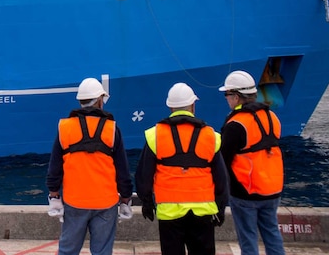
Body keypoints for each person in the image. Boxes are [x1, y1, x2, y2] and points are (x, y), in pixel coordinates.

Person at [136, 83, 229, 255]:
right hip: (203, 212)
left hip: (169, 213)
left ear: (170, 106)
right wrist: (221, 207)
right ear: (193, 106)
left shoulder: (155, 135)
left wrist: (147, 202)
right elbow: (221, 178)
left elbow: (144, 175)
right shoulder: (211, 136)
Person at [46, 77, 133, 255]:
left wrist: (54, 195)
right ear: (100, 100)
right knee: (102, 252)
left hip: (75, 201)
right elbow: (122, 170)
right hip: (106, 203)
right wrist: (125, 198)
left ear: (80, 101)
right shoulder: (112, 129)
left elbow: (55, 166)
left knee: (68, 250)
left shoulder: (65, 128)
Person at [219, 71, 286, 255]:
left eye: (227, 95)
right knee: (272, 233)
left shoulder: (236, 124)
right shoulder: (272, 117)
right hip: (272, 189)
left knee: (248, 239)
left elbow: (223, 159)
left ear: (236, 96)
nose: (226, 99)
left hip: (245, 191)